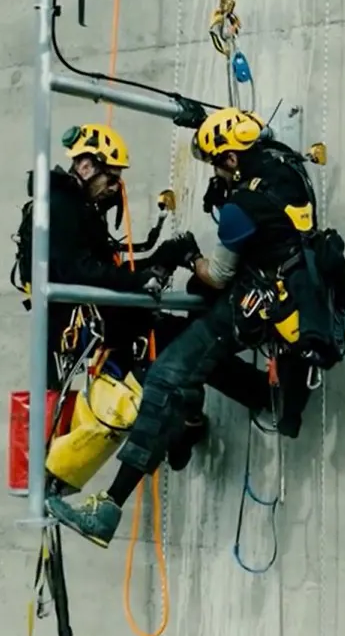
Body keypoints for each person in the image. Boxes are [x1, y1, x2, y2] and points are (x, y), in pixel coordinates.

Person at [47, 107, 345, 547]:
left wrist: (189, 254)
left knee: (167, 374)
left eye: (217, 163)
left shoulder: (240, 208)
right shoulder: (286, 164)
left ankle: (109, 507)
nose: (216, 170)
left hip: (255, 299)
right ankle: (235, 405)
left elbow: (217, 275)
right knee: (188, 347)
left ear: (230, 158)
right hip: (301, 283)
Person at [15, 123, 269, 473]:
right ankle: (261, 396)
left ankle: (186, 429)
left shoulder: (72, 206)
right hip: (85, 323)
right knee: (185, 346)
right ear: (86, 167)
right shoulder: (59, 207)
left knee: (175, 352)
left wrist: (160, 259)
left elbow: (101, 269)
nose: (114, 187)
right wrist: (140, 277)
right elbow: (83, 272)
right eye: (111, 177)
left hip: (96, 316)